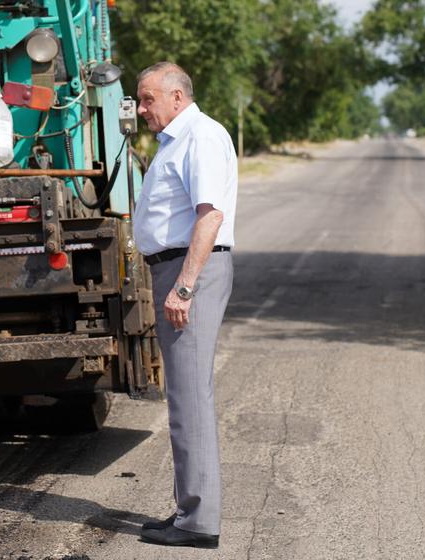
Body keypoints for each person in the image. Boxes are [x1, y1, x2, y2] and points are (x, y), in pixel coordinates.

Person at [132, 61, 237, 550]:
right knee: (185, 396)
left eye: (149, 98)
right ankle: (190, 509)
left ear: (178, 96)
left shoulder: (202, 137)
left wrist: (185, 286)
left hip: (189, 270)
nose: (141, 108)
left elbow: (210, 214)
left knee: (189, 398)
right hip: (175, 268)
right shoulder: (178, 141)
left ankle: (197, 522)